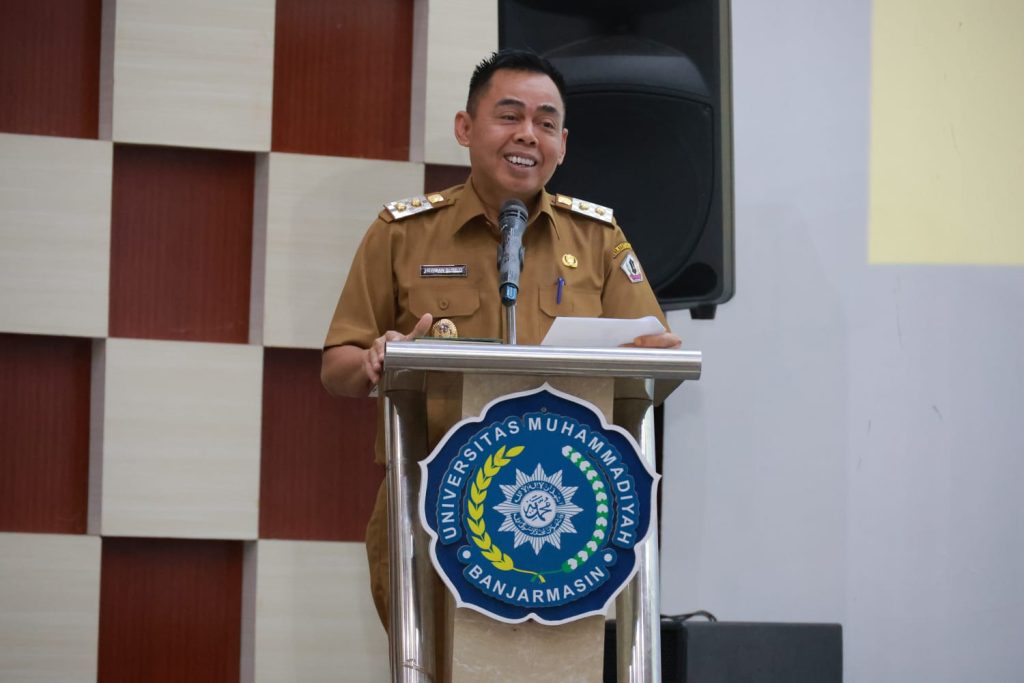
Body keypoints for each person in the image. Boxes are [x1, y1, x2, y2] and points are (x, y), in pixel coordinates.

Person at [321, 49, 681, 629]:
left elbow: (656, 366)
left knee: (560, 664)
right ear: (465, 128)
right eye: (509, 116)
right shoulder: (402, 233)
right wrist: (376, 359)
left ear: (563, 143)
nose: (527, 135)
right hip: (430, 503)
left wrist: (641, 361)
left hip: (567, 511)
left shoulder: (597, 238)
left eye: (545, 123)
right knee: (430, 660)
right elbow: (336, 364)